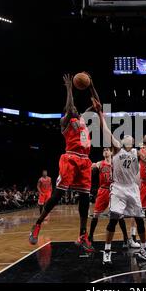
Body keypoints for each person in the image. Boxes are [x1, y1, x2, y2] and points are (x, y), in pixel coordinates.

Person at [29, 74, 100, 252]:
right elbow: (69, 107)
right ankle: (37, 224)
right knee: (58, 195)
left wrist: (91, 86)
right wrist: (69, 88)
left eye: (75, 107)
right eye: (72, 107)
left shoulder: (83, 118)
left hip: (85, 161)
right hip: (70, 158)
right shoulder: (65, 121)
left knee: (85, 198)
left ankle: (82, 235)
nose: (75, 108)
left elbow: (97, 104)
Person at [93, 98, 146, 265]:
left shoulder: (137, 152)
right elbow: (105, 130)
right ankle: (107, 251)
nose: (128, 137)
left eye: (130, 137)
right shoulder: (117, 149)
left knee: (139, 219)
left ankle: (143, 249)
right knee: (114, 218)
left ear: (133, 142)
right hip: (119, 188)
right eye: (126, 136)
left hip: (133, 189)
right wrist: (100, 113)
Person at [88, 148, 140, 249]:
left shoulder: (116, 162)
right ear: (103, 154)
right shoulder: (100, 163)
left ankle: (125, 238)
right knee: (95, 214)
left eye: (108, 150)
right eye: (104, 150)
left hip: (115, 190)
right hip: (103, 190)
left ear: (111, 152)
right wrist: (91, 166)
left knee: (119, 215)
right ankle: (90, 237)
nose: (106, 151)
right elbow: (90, 167)